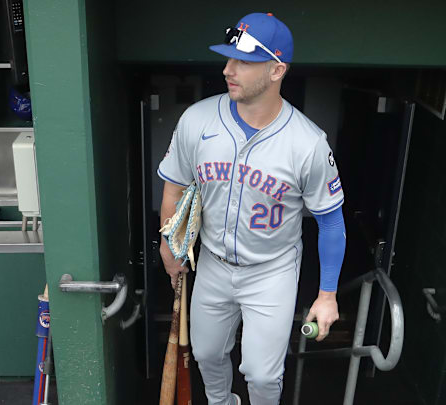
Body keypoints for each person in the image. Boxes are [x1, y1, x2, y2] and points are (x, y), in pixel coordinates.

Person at [158, 12, 346, 405]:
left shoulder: (307, 142)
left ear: (277, 70)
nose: (229, 69)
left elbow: (331, 223)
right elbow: (174, 187)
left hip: (271, 271)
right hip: (212, 262)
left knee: (261, 376)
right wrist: (168, 244)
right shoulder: (198, 120)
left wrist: (327, 295)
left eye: (243, 61)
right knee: (207, 354)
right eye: (228, 59)